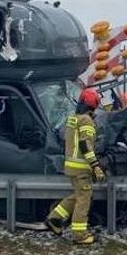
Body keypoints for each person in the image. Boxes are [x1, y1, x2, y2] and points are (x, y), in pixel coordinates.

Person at [47, 88, 105, 245]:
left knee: (79, 195)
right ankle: (79, 234)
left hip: (70, 166)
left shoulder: (72, 118)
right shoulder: (86, 121)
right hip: (81, 168)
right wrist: (96, 166)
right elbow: (85, 144)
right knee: (84, 200)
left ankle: (55, 218)